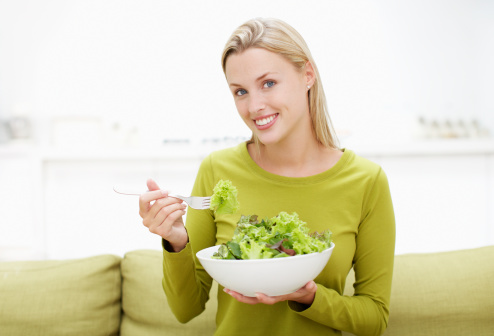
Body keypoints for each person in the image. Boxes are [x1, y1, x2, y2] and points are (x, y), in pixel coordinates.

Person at [139, 17, 395, 336]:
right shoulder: (218, 171)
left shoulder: (366, 181)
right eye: (240, 91)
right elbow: (186, 310)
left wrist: (310, 297)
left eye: (269, 83)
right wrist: (176, 242)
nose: (255, 106)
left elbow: (374, 318)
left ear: (308, 75)